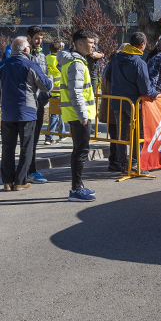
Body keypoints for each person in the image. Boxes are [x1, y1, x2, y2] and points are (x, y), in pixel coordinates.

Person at [0, 37, 53, 192]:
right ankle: (20, 181)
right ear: (25, 50)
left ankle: (7, 181)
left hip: (7, 112)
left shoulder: (2, 65)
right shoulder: (31, 65)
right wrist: (49, 78)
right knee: (26, 147)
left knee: (7, 148)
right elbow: (45, 86)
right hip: (27, 112)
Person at [105, 32, 159, 175]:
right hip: (134, 104)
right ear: (142, 45)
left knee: (120, 134)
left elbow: (107, 76)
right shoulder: (139, 63)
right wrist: (156, 94)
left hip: (118, 101)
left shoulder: (116, 58)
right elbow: (145, 89)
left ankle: (123, 164)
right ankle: (135, 164)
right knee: (138, 134)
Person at [58, 29, 98, 202]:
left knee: (79, 150)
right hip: (79, 115)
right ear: (79, 44)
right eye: (90, 43)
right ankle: (76, 189)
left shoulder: (74, 61)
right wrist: (83, 115)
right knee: (81, 151)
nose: (93, 45)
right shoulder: (77, 64)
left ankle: (79, 186)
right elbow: (76, 92)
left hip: (75, 114)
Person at [26, 26, 51, 184]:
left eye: (41, 38)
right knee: (26, 140)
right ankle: (28, 170)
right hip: (27, 103)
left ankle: (31, 169)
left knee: (34, 139)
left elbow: (45, 77)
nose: (39, 41)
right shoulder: (24, 56)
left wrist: (45, 96)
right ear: (28, 37)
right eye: (36, 38)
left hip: (39, 103)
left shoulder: (42, 56)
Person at [100, 51, 121, 172]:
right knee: (115, 137)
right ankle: (114, 161)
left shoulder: (108, 69)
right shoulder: (112, 71)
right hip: (113, 107)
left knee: (115, 136)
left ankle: (115, 160)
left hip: (110, 107)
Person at [45, 41, 65, 145]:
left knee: (59, 112)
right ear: (59, 50)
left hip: (50, 88)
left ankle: (63, 134)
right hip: (58, 90)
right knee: (55, 114)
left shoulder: (47, 57)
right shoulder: (58, 60)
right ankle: (49, 137)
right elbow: (64, 70)